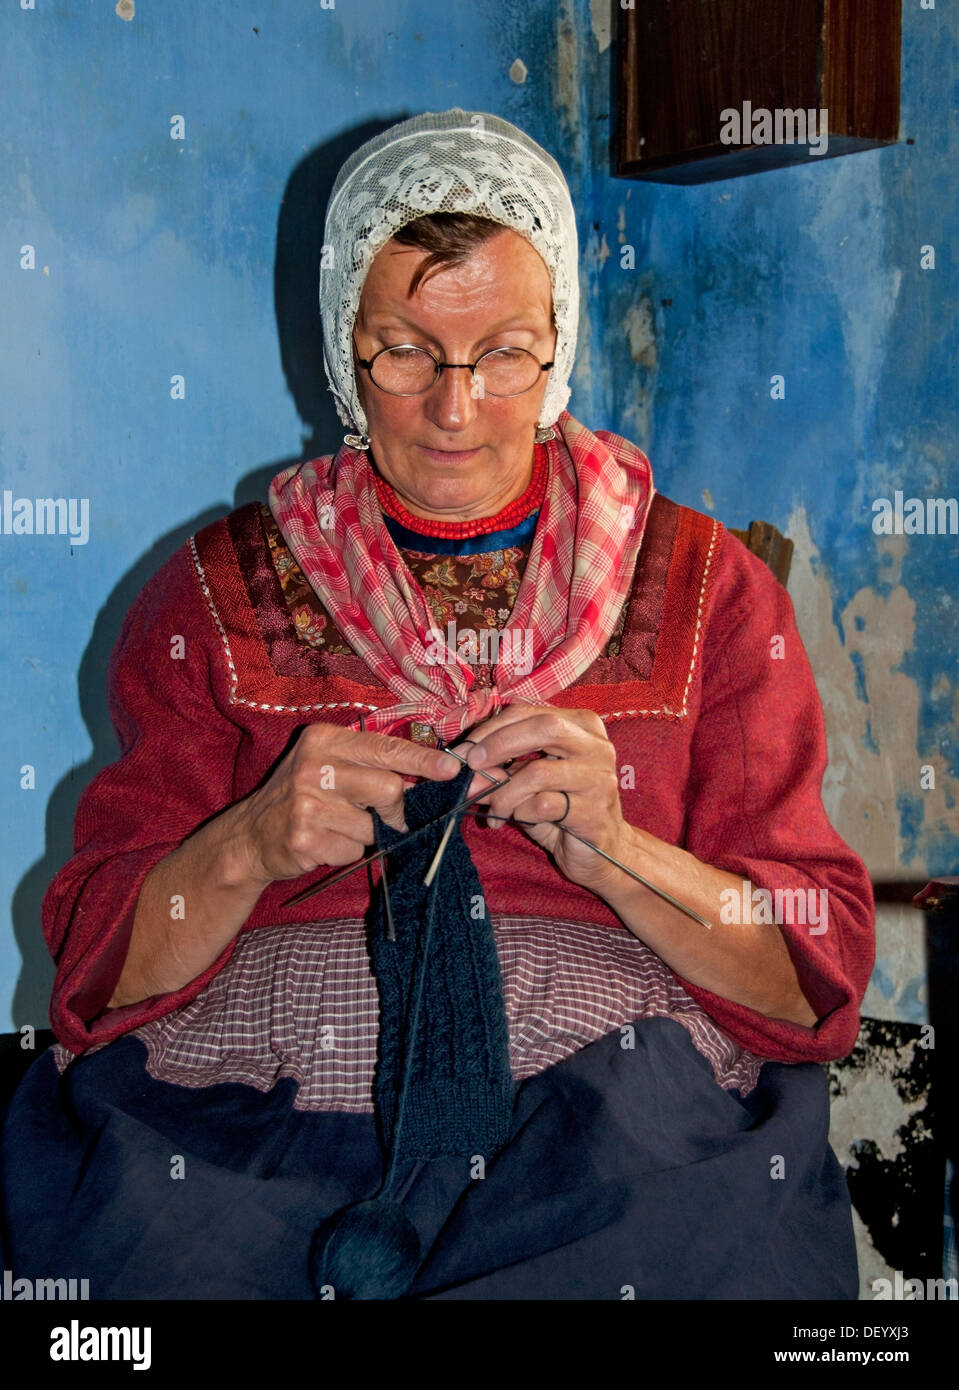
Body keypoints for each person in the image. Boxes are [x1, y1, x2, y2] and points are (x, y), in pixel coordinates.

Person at [0, 109, 874, 1300]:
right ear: (338, 346)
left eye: (504, 351)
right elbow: (95, 976)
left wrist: (616, 853)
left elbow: (810, 979)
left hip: (614, 1103)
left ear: (559, 339)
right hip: (255, 1102)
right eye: (403, 350)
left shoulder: (712, 593)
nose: (453, 407)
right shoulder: (211, 594)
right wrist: (248, 844)